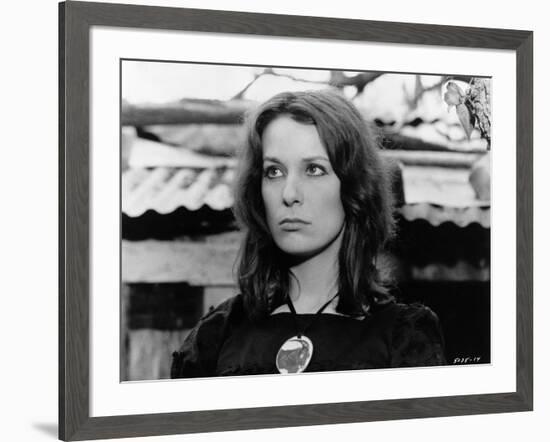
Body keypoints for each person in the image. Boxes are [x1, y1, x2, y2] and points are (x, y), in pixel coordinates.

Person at [171, 89, 445, 378]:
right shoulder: (216, 336)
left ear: (354, 188)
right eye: (274, 172)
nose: (289, 194)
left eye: (313, 169)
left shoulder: (403, 337)